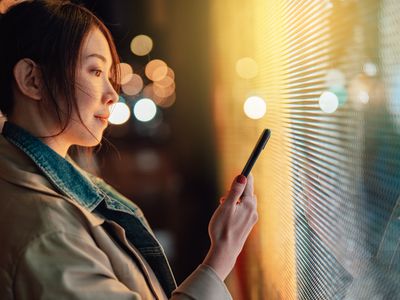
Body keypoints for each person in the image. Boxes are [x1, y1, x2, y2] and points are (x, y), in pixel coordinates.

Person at [0, 1, 259, 299]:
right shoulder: (44, 230)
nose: (112, 94)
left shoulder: (38, 187)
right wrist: (220, 258)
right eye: (96, 71)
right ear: (32, 80)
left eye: (109, 75)